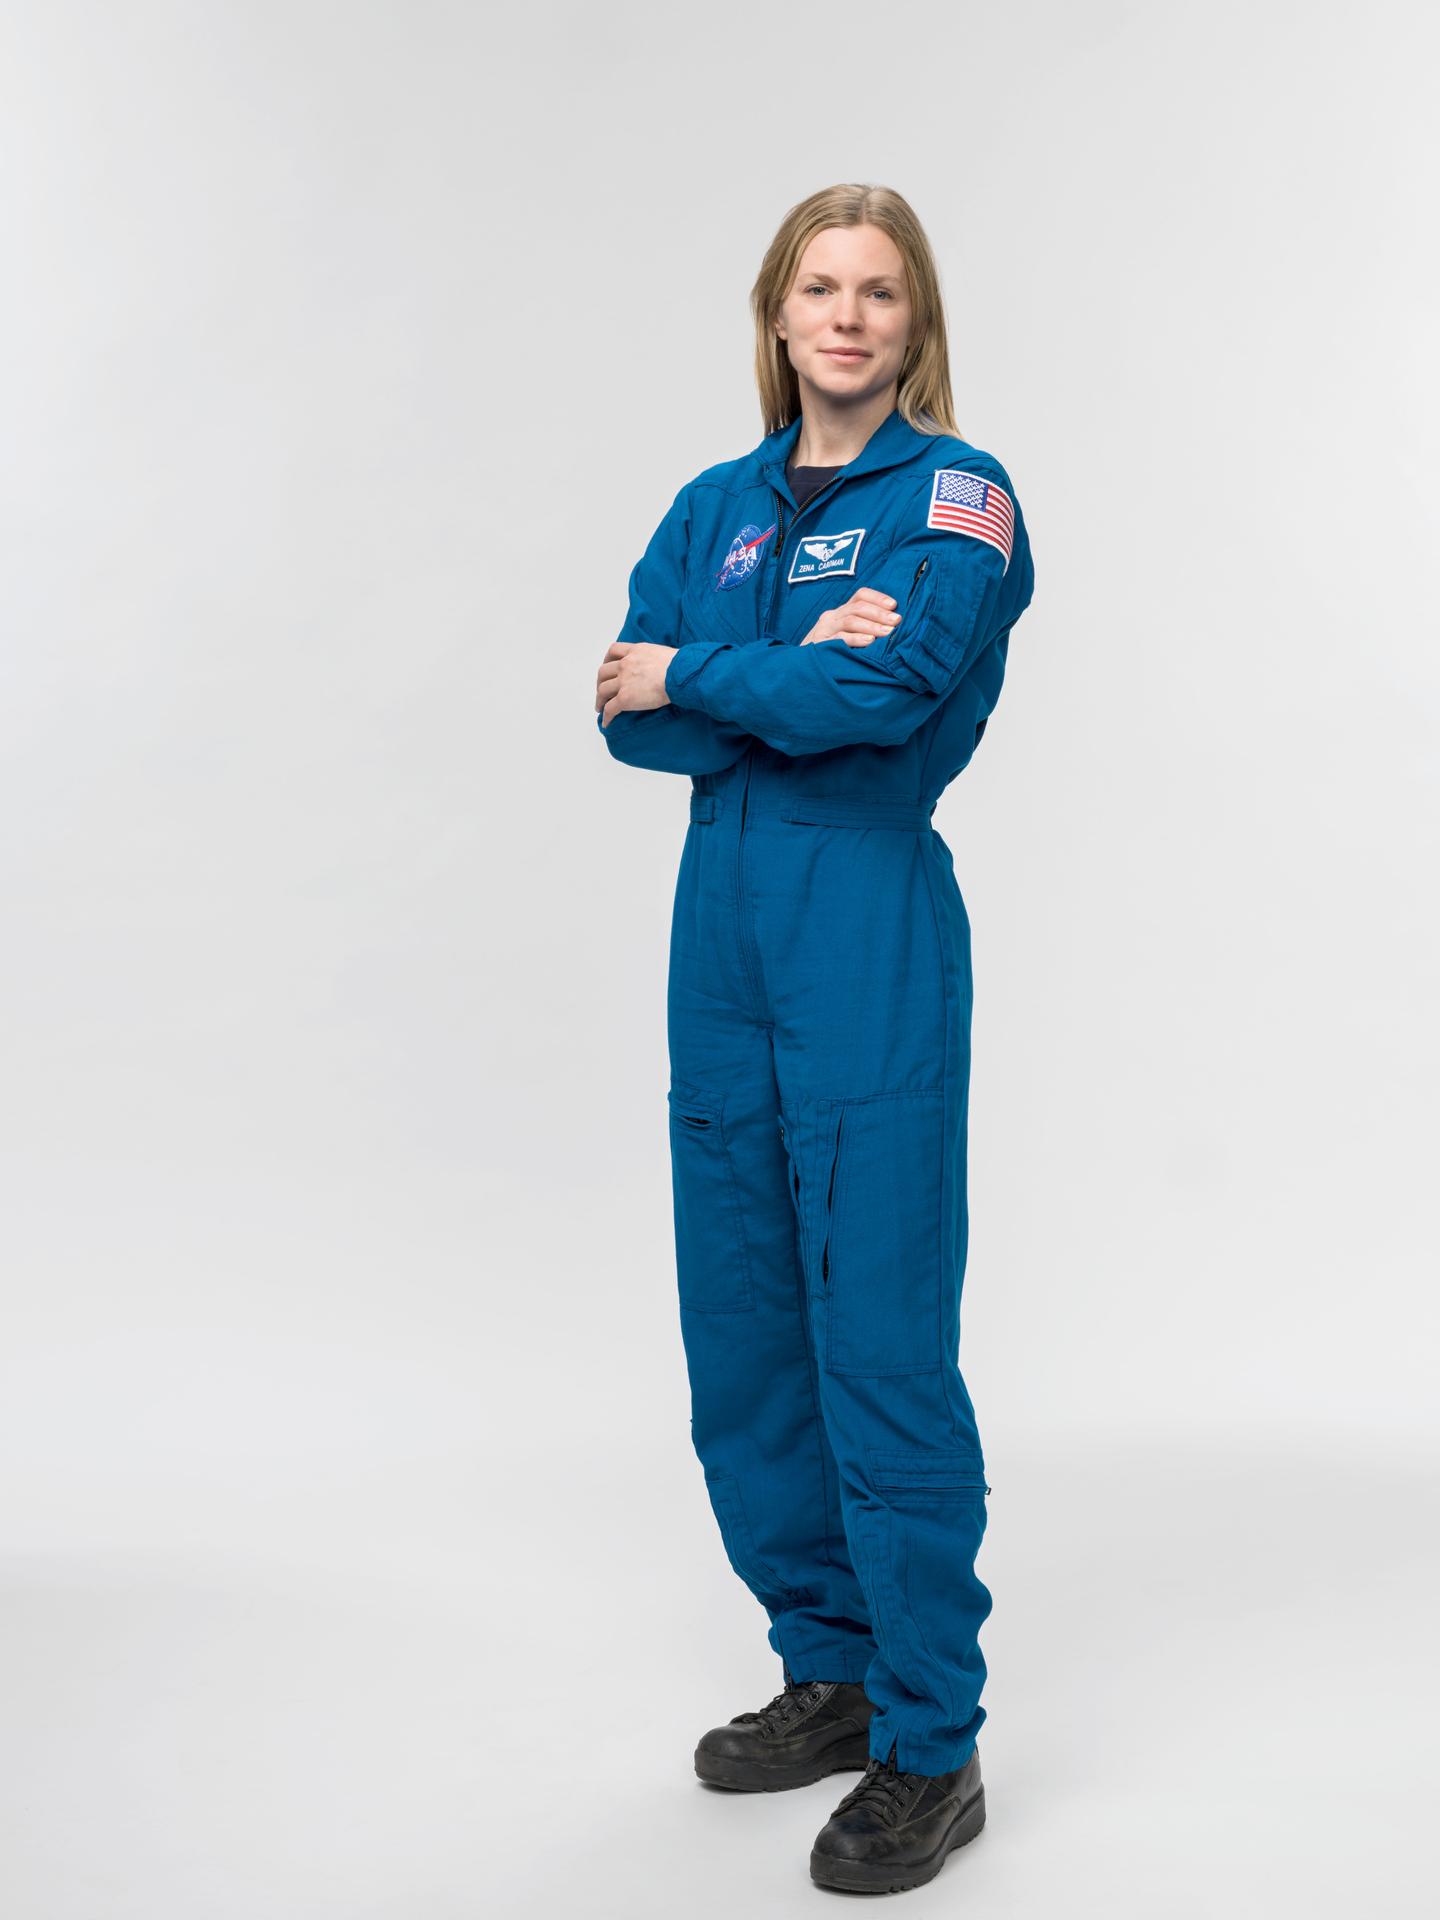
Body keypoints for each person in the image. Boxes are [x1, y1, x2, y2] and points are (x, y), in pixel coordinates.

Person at [594, 182, 1035, 1896]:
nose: (847, 316)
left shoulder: (963, 496)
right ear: (776, 315)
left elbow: (885, 702)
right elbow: (622, 719)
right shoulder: (712, 505)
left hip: (864, 933)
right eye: (818, 287)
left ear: (915, 322)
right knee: (751, 1335)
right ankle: (828, 1667)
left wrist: (705, 675)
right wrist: (758, 664)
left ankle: (933, 1740)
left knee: (879, 1345)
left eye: (881, 291)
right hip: (720, 944)